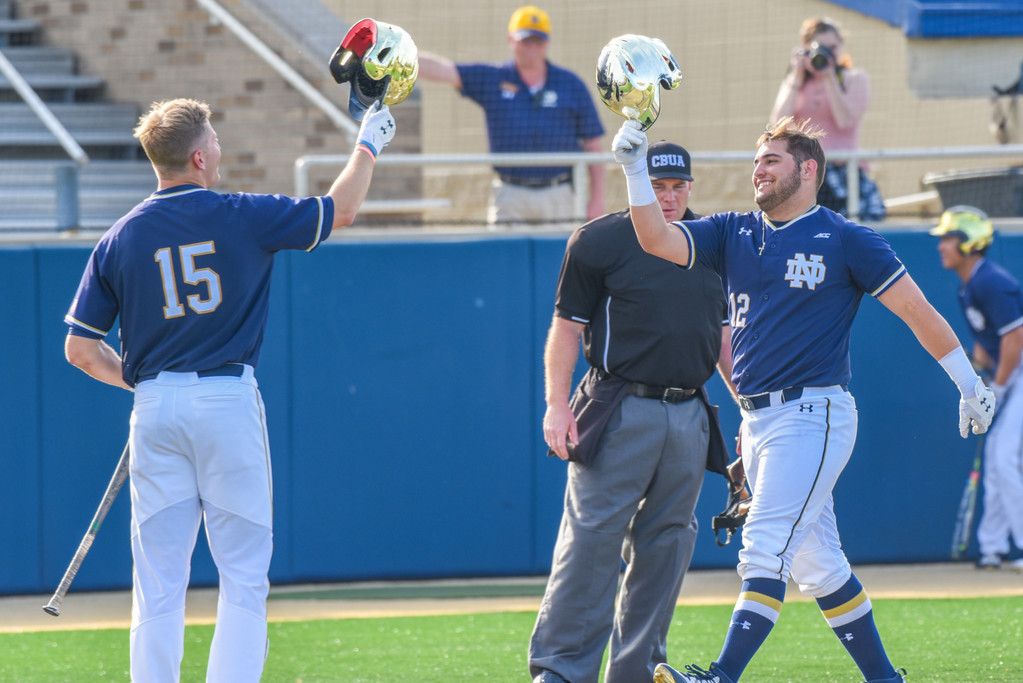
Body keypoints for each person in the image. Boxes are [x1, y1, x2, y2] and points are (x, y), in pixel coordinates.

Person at [609, 116, 995, 683]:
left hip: (813, 413)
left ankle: (721, 677)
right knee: (819, 567)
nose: (758, 171)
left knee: (763, 551)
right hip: (759, 419)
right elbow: (656, 240)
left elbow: (917, 310)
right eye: (757, 162)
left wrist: (967, 381)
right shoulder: (734, 231)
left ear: (808, 169)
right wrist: (632, 172)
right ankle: (886, 680)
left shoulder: (846, 238)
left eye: (772, 161)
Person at [62, 97, 395, 682]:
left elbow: (81, 350)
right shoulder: (242, 213)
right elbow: (339, 211)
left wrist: (140, 383)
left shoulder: (119, 236)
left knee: (158, 580)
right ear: (197, 157)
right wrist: (368, 144)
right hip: (224, 400)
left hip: (154, 407)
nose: (218, 147)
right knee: (242, 572)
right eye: (212, 139)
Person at [528, 141, 734, 683]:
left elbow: (723, 342)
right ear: (636, 182)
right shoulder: (599, 239)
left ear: (691, 186)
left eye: (677, 186)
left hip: (689, 410)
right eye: (657, 186)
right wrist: (555, 405)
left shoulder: (711, 241)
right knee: (592, 539)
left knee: (668, 545)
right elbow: (566, 329)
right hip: (619, 404)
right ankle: (561, 670)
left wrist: (753, 414)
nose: (668, 198)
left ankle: (637, 671)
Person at [417, 5, 605, 227]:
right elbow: (445, 71)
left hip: (559, 193)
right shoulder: (494, 79)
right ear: (511, 40)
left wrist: (597, 199)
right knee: (504, 257)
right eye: (525, 40)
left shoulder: (570, 84)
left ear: (547, 42)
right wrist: (399, 57)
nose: (531, 48)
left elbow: (593, 142)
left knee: (562, 257)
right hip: (510, 193)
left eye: (538, 40)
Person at [931, 205, 1023, 572]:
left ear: (970, 243)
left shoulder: (988, 281)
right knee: (999, 459)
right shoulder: (969, 287)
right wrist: (978, 376)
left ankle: (1012, 544)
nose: (941, 246)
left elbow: (1015, 338)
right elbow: (987, 346)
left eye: (948, 238)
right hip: (1010, 374)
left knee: (1002, 458)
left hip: (1017, 373)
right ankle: (993, 546)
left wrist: (997, 390)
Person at [769, 17, 886, 222]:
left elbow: (846, 122)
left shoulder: (855, 78)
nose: (828, 53)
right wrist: (795, 77)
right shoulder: (798, 83)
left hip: (844, 171)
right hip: (808, 171)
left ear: (841, 46)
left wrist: (829, 77)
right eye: (821, 48)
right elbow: (777, 125)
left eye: (832, 47)